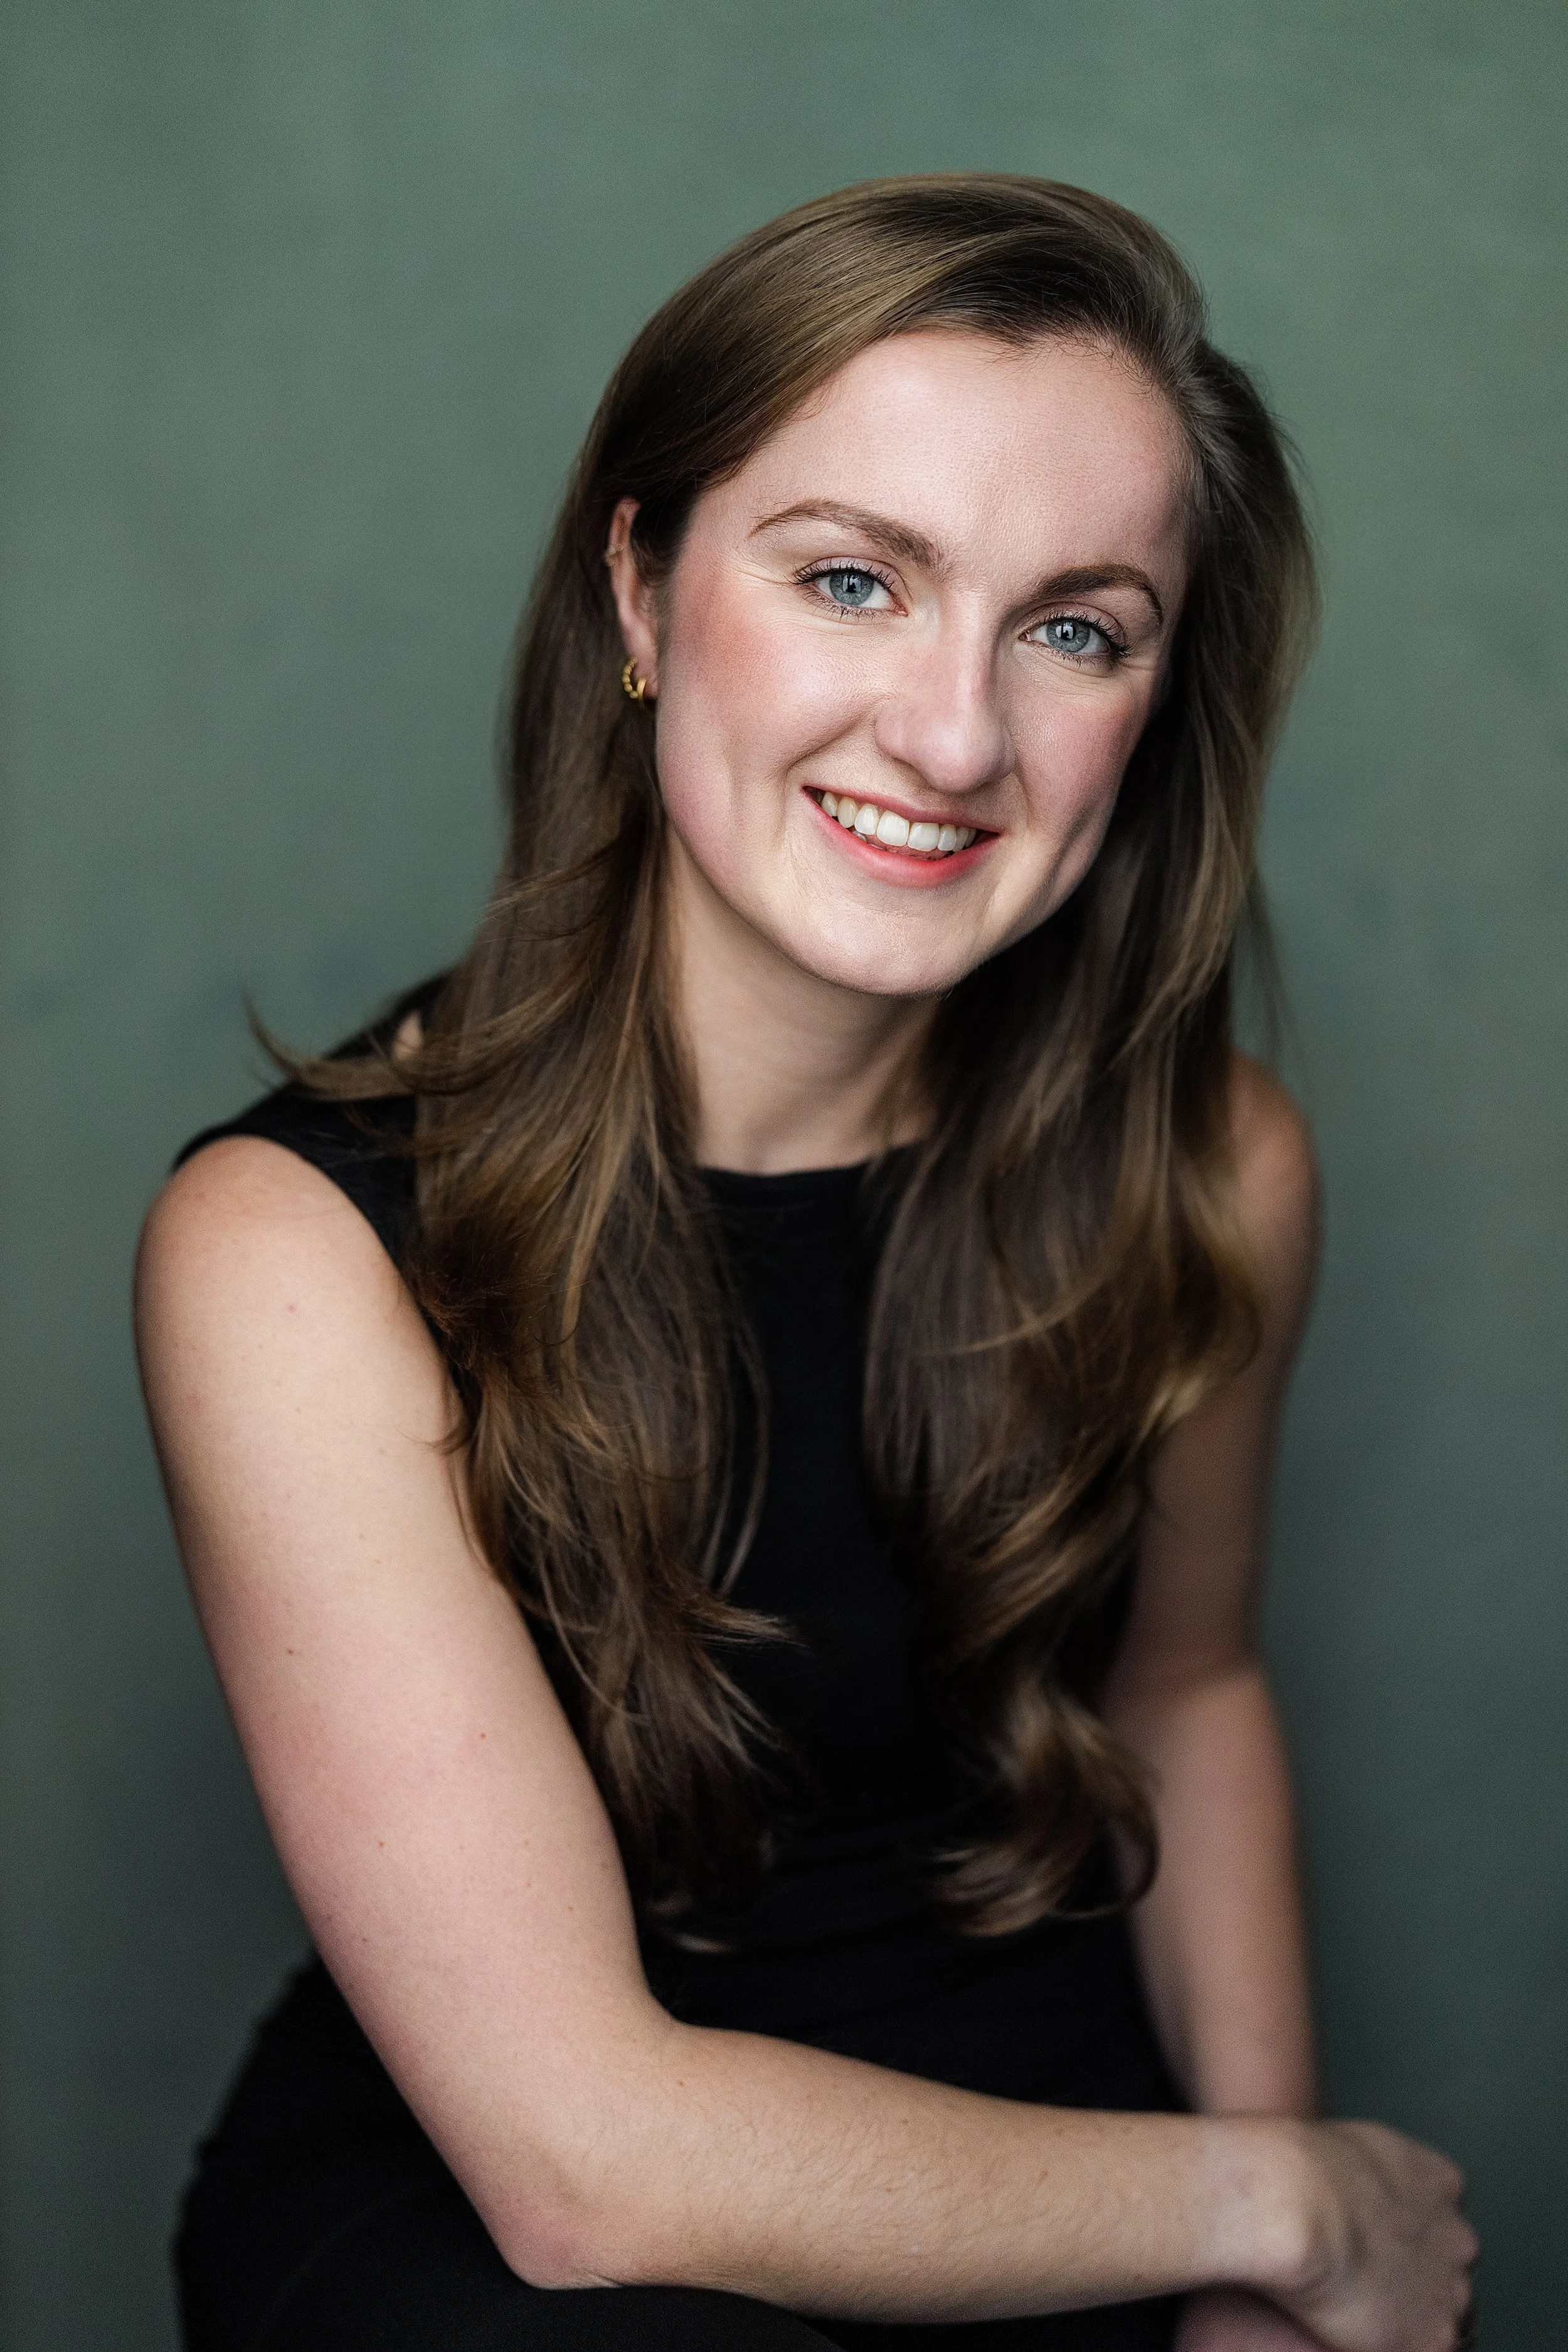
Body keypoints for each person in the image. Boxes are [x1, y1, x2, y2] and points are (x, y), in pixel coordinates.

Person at [135, 176, 1477, 2352]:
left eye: (1073, 625)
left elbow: (1184, 1688)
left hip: (1072, 2165)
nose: (952, 736)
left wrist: (1260, 2286)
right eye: (853, 580)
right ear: (643, 587)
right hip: (532, 2243)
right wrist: (1281, 2200)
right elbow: (580, 2161)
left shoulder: (1212, 1166)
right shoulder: (293, 1254)